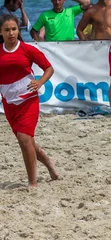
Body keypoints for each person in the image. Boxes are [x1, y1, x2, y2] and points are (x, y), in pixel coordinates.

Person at [0, 14, 59, 187]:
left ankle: (32, 183)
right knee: (28, 142)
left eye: (14, 29)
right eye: (7, 30)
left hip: (29, 101)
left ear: (18, 30)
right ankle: (49, 164)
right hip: (9, 104)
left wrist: (40, 81)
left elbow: (49, 68)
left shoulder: (27, 49)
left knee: (24, 139)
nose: (11, 33)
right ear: (1, 32)